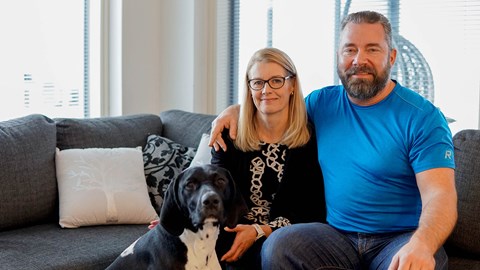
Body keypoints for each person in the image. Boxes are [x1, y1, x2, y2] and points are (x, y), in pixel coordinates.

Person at [209, 11, 457, 270]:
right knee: (279, 246)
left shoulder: (422, 117)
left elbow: (440, 194)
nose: (359, 60)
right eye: (350, 50)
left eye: (372, 49)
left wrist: (423, 244)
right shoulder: (322, 103)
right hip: (336, 237)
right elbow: (275, 104)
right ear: (338, 56)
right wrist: (235, 110)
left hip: (398, 238)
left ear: (391, 56)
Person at [212, 47, 326, 270]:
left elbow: (312, 211)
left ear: (292, 85)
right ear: (249, 87)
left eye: (276, 81)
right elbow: (214, 187)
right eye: (258, 82)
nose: (266, 90)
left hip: (282, 236)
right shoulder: (230, 135)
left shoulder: (310, 140)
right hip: (232, 230)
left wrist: (259, 231)